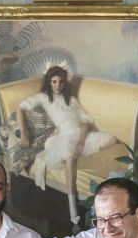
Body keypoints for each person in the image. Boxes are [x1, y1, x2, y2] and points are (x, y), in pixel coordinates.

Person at [16, 65, 119, 225]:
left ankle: (77, 151)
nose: (58, 85)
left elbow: (86, 123)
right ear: (49, 82)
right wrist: (23, 132)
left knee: (111, 138)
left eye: (61, 82)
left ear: (65, 83)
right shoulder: (44, 97)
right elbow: (20, 107)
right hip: (64, 136)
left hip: (81, 136)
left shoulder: (71, 100)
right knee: (70, 156)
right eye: (54, 81)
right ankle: (72, 209)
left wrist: (81, 142)